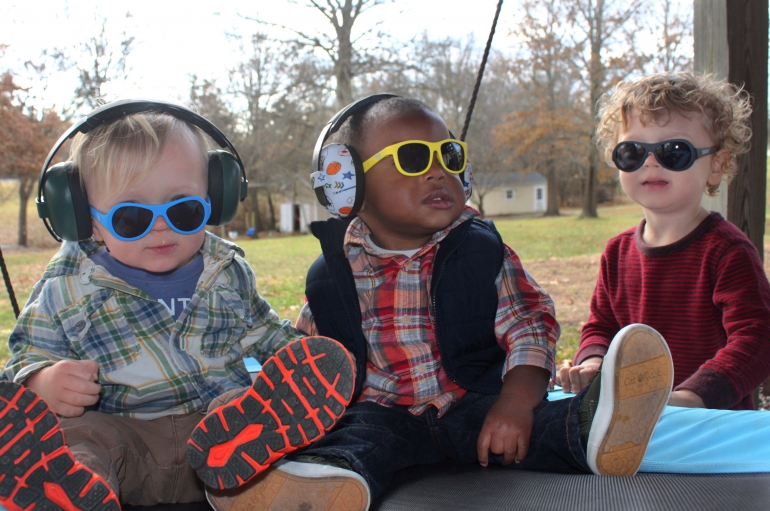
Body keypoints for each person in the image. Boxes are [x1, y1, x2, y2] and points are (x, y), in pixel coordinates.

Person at [190, 95, 675, 511]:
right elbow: (315, 362)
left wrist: (516, 402)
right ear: (347, 184)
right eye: (413, 159)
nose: (439, 171)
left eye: (449, 154)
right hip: (379, 413)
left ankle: (600, 428)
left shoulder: (481, 251)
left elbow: (530, 324)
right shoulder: (330, 276)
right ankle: (315, 486)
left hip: (474, 403)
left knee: (544, 423)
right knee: (353, 442)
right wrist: (274, 391)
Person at [0, 101, 355, 511]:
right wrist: (42, 381)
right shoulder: (66, 288)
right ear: (86, 219)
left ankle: (265, 475)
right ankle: (69, 492)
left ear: (214, 199)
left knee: (243, 407)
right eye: (131, 218)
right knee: (81, 437)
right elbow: (27, 354)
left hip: (215, 443)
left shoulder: (226, 271)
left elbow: (264, 333)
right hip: (125, 439)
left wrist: (297, 357)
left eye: (184, 210)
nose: (161, 226)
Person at [558, 73, 770, 411]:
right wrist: (594, 362)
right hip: (628, 424)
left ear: (717, 165)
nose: (651, 161)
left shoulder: (727, 251)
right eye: (632, 151)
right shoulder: (617, 252)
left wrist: (692, 398)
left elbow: (757, 339)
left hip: (708, 425)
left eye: (674, 151)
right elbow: (602, 325)